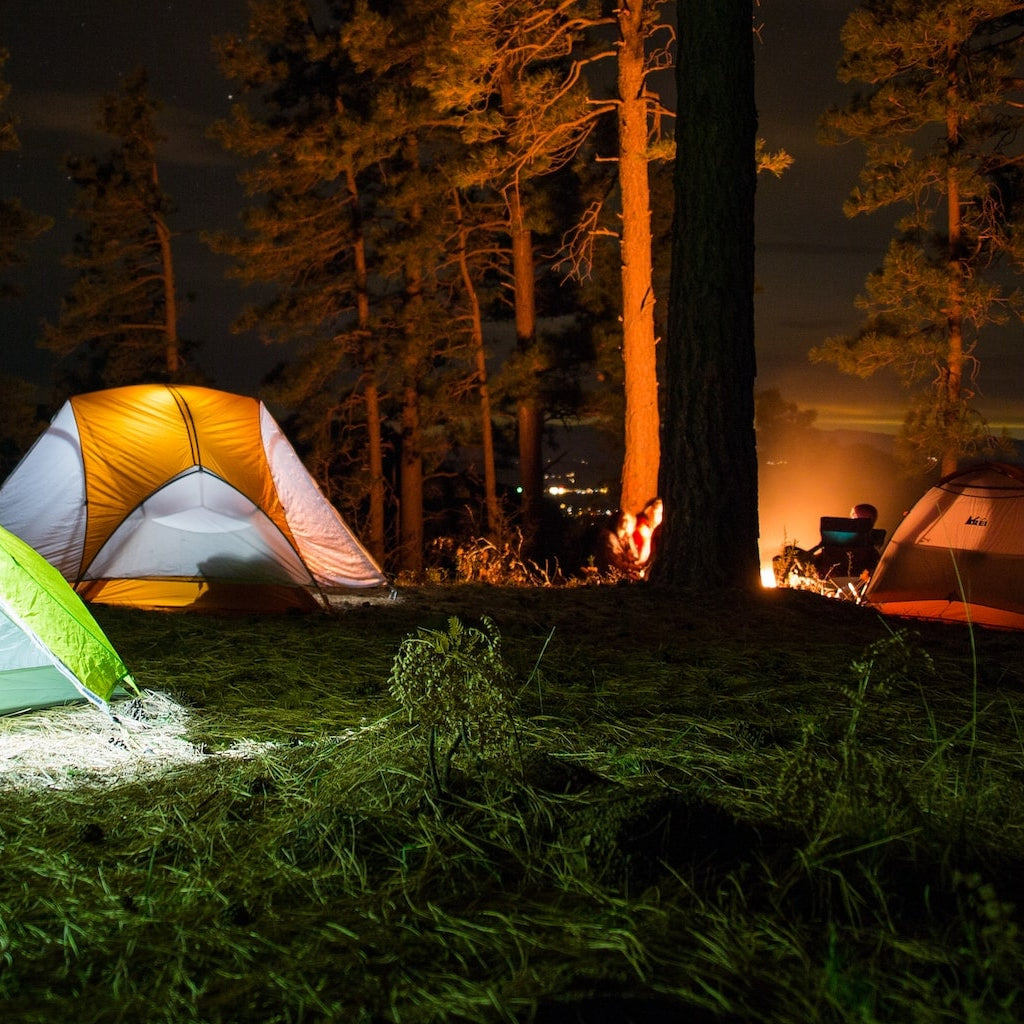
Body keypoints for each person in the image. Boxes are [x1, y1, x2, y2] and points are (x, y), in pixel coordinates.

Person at [595, 510, 641, 578]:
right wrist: (635, 567)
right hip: (610, 579)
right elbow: (616, 564)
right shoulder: (609, 537)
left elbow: (634, 556)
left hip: (618, 576)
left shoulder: (623, 538)